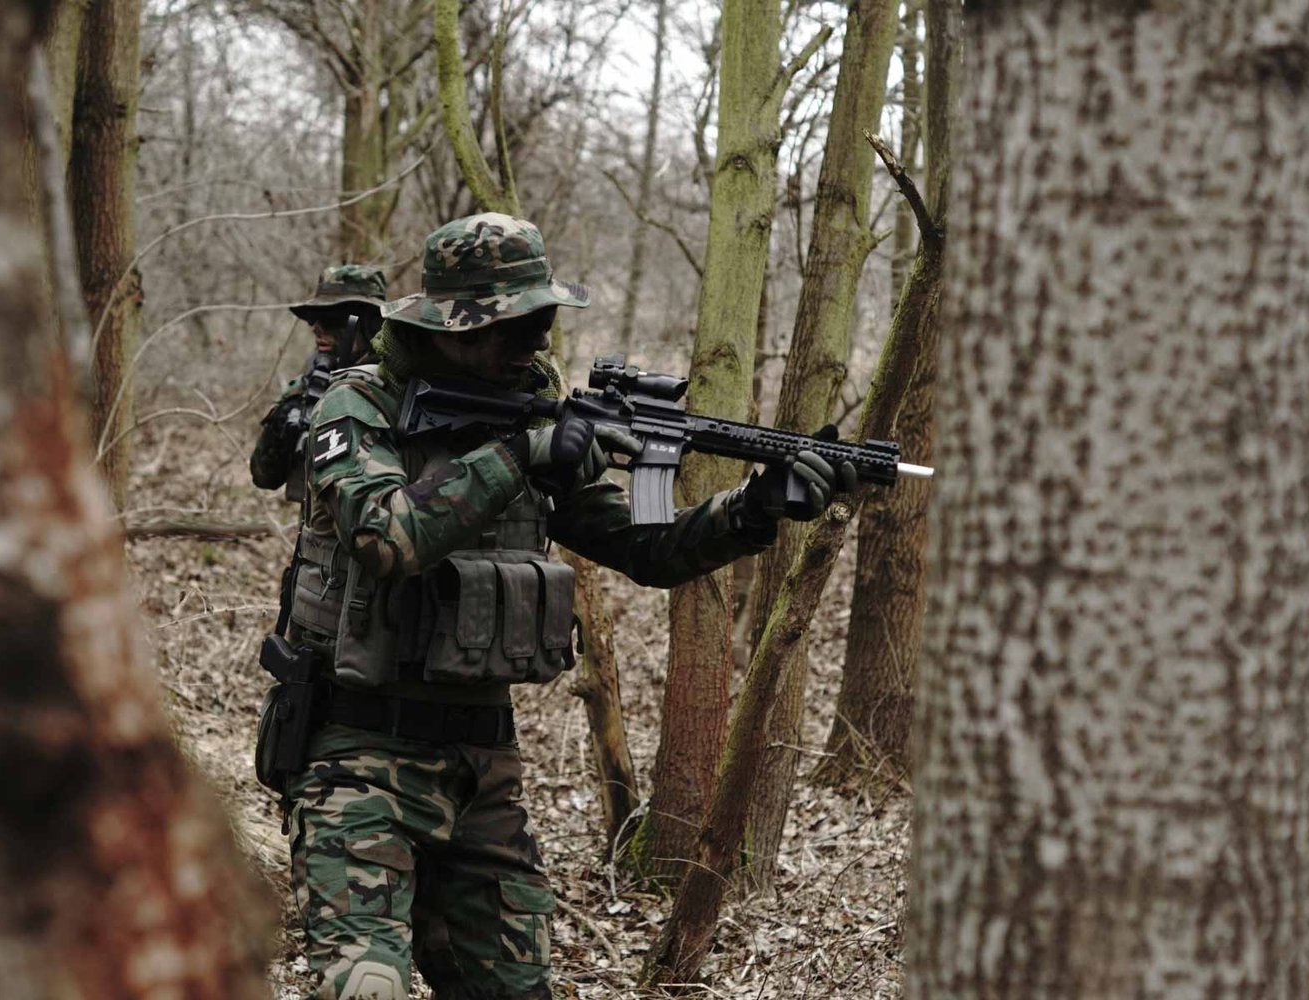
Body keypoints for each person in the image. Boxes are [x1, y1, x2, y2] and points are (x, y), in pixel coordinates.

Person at [281, 213, 855, 1000]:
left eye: (542, 320)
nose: (536, 341)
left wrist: (755, 508)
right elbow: (385, 535)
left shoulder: (532, 411)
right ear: (455, 324)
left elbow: (648, 549)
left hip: (481, 769)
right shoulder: (360, 404)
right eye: (515, 324)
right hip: (356, 757)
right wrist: (520, 455)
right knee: (364, 986)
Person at [250, 264, 386, 499]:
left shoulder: (399, 387)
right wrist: (282, 430)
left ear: (369, 324)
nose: (316, 328)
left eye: (330, 319)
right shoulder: (306, 388)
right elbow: (263, 477)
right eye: (314, 318)